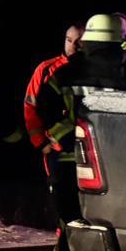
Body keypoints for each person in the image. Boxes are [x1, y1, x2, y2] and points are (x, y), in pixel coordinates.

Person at [35, 13, 126, 251]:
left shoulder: (63, 74)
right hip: (109, 165)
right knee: (107, 223)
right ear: (117, 45)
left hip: (68, 162)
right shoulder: (124, 78)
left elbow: (44, 110)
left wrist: (64, 139)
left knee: (71, 224)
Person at [23, 24, 83, 155]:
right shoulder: (46, 68)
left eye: (79, 42)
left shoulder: (93, 69)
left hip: (88, 146)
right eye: (69, 40)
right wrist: (41, 143)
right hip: (56, 147)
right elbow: (30, 105)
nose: (73, 46)